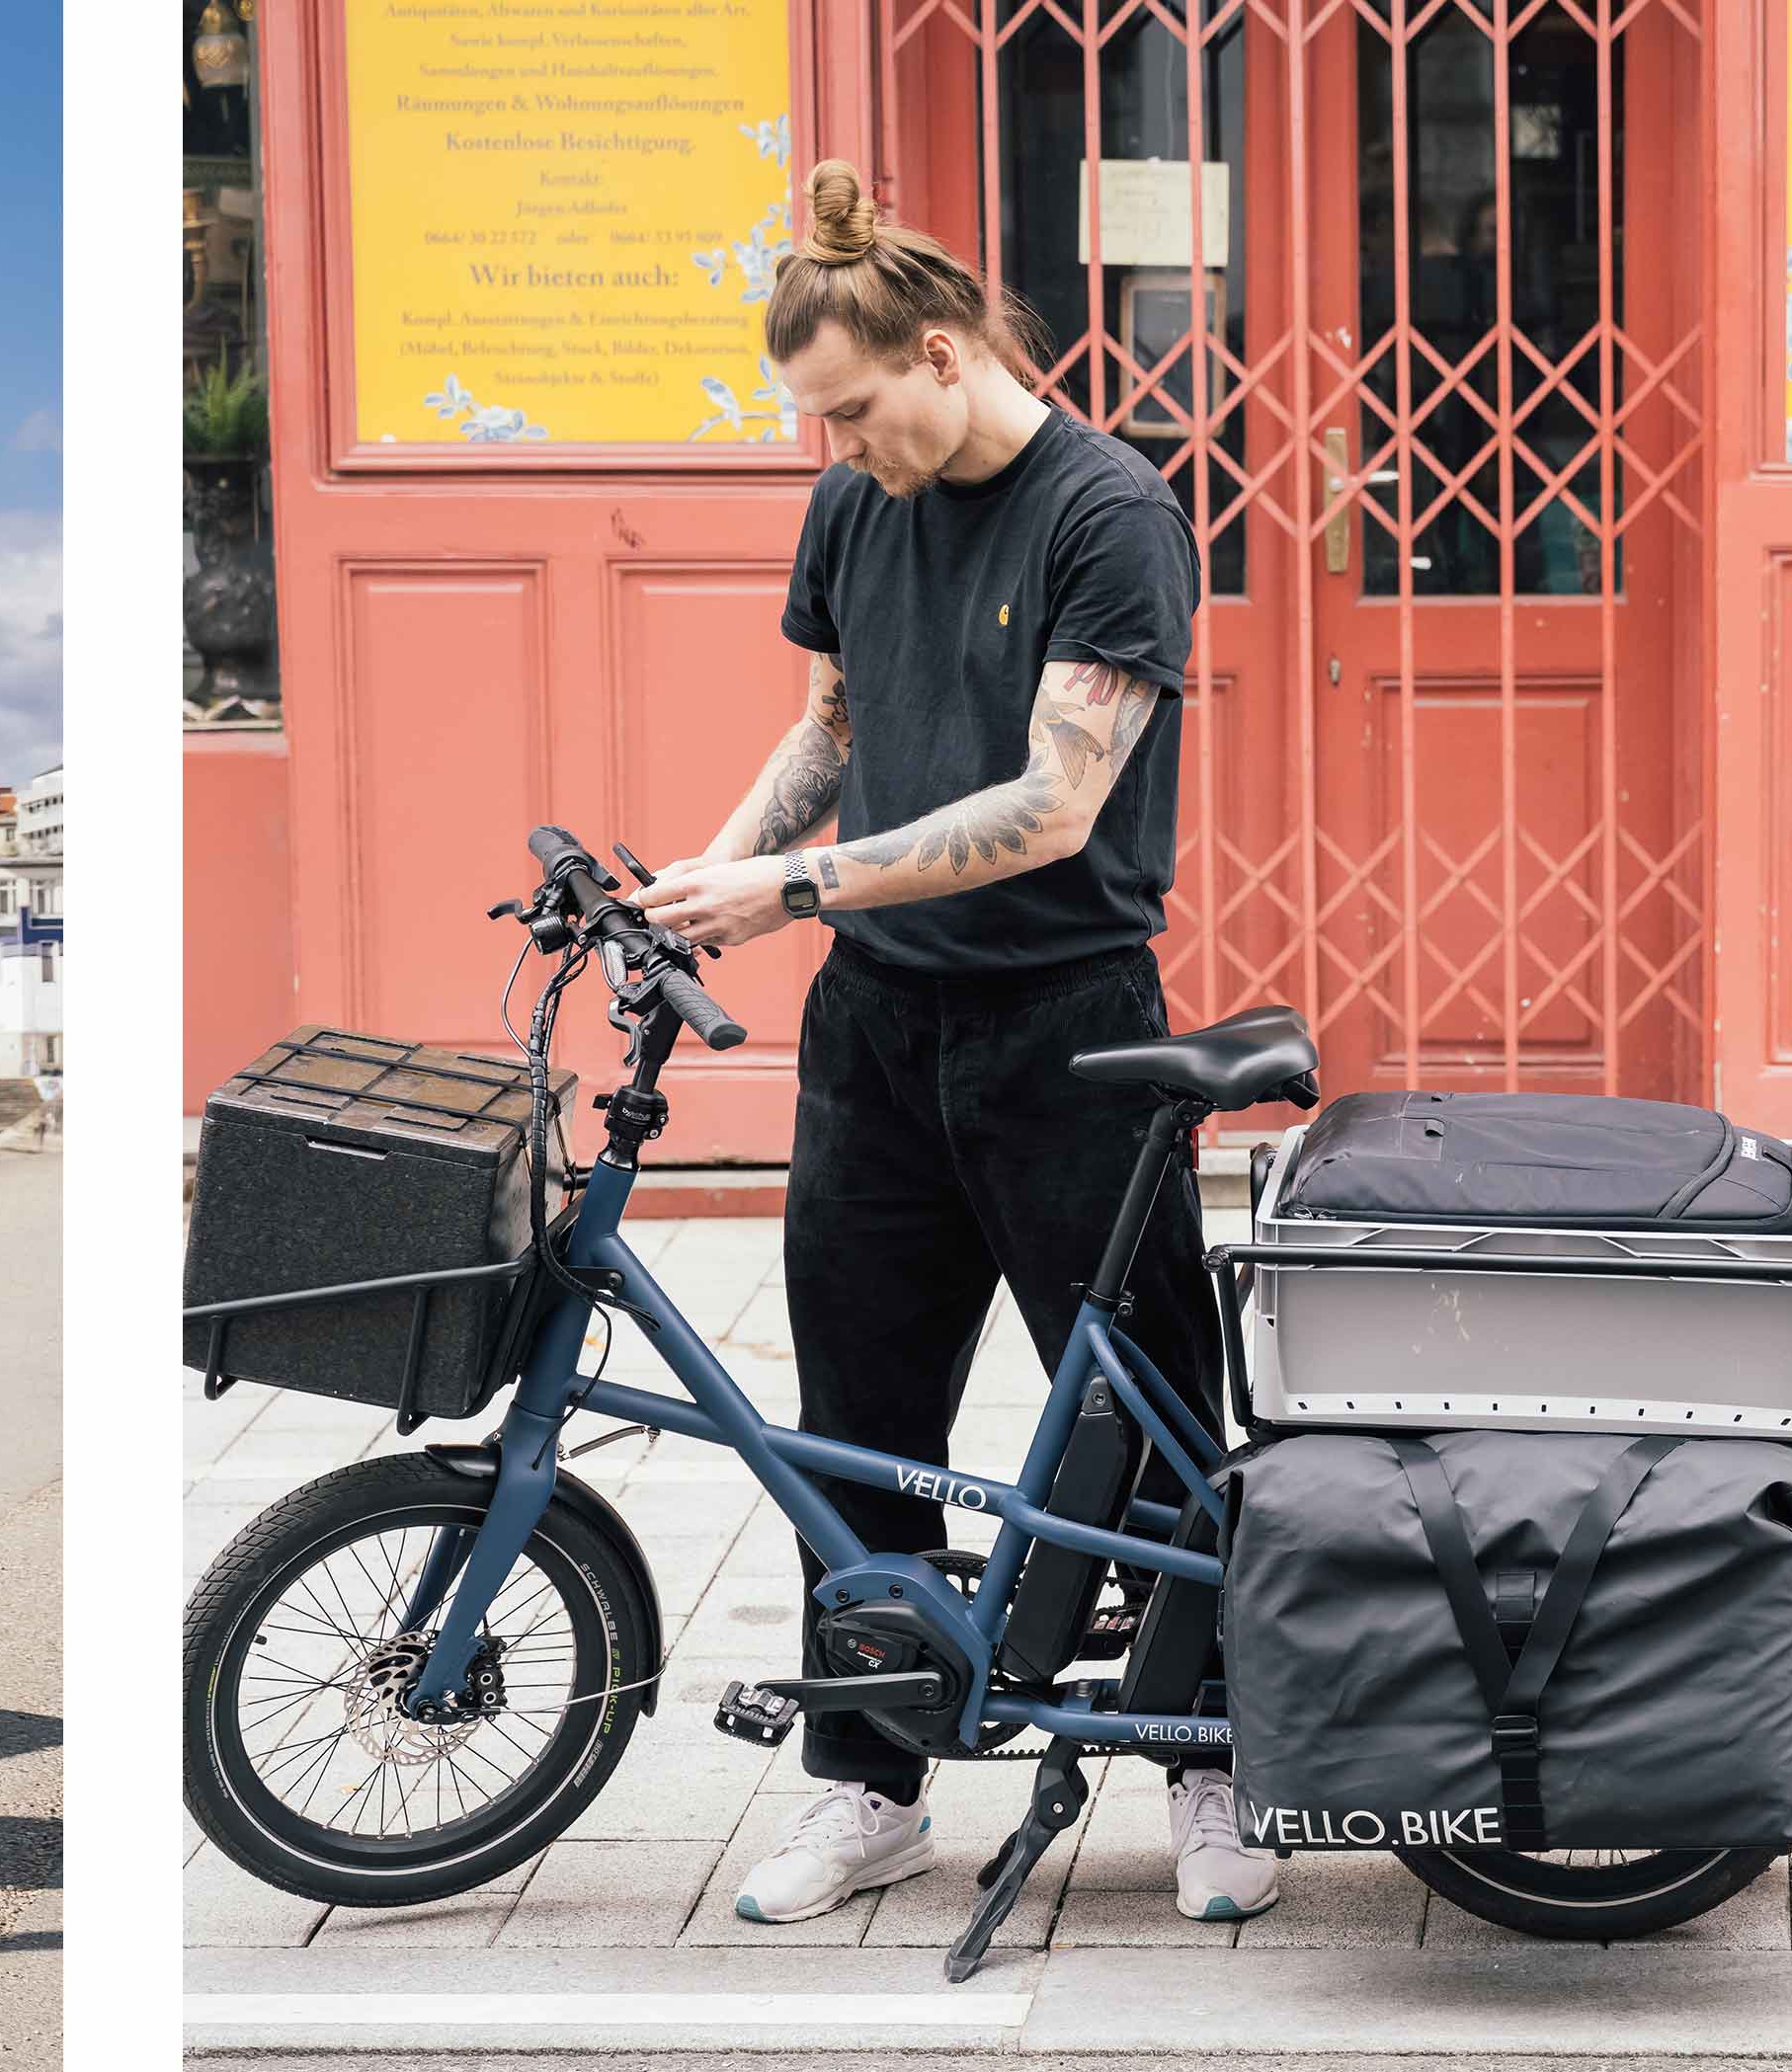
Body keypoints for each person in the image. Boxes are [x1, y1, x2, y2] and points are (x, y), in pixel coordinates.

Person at [629, 161, 1268, 1927]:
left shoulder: (1109, 513)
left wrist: (800, 885)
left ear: (937, 353)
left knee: (1144, 1412)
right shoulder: (856, 510)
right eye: (813, 423)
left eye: (849, 411)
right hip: (873, 1036)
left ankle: (1211, 1767)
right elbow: (827, 724)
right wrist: (716, 870)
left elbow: (1060, 804)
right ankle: (865, 1785)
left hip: (1069, 1032)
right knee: (858, 1421)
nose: (835, 449)